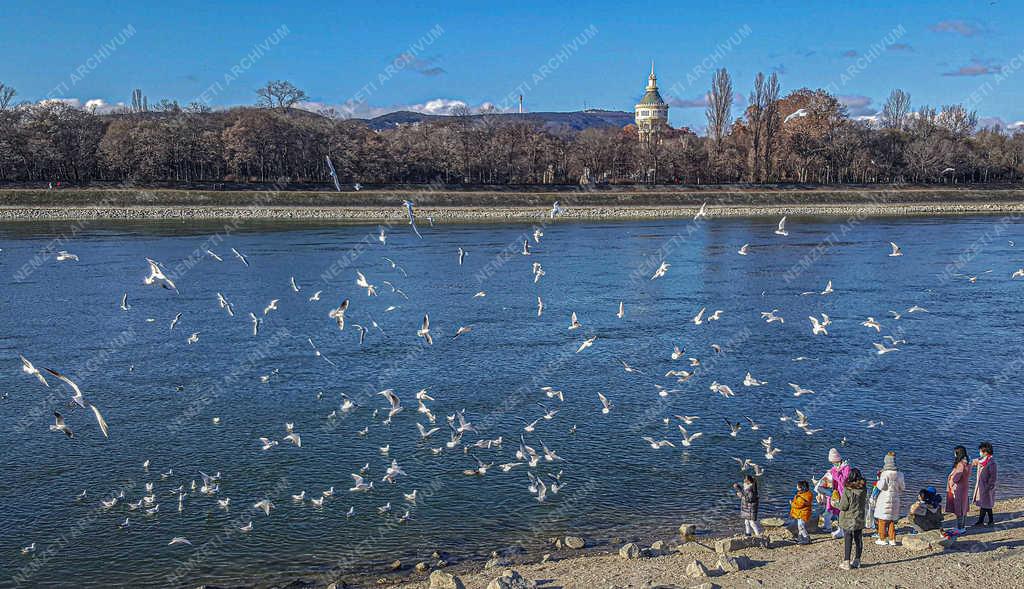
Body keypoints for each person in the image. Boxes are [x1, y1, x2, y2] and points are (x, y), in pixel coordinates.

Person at [816, 448, 851, 538]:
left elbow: (843, 481)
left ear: (837, 460)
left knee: (842, 511)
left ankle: (842, 530)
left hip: (843, 492)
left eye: (833, 462)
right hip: (836, 492)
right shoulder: (835, 468)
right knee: (837, 511)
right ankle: (840, 529)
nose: (833, 464)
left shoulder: (846, 468)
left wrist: (835, 473)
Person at [837, 467, 868, 570]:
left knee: (848, 539)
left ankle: (846, 562)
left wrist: (835, 503)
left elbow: (843, 507)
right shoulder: (864, 489)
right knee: (858, 539)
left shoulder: (848, 490)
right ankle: (857, 561)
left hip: (848, 518)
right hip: (859, 517)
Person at [874, 451, 906, 546]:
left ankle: (882, 538)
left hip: (885, 498)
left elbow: (881, 487)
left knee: (882, 519)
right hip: (895, 498)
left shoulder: (885, 473)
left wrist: (878, 480)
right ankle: (892, 539)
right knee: (892, 520)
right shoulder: (900, 474)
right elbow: (903, 487)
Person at [946, 445, 972, 532]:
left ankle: (960, 528)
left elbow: (957, 477)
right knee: (963, 508)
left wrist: (952, 481)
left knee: (959, 509)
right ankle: (962, 527)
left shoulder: (960, 464)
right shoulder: (967, 463)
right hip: (964, 487)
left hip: (959, 489)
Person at [972, 441, 998, 527]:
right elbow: (974, 462)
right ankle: (989, 521)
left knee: (985, 504)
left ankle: (982, 521)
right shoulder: (981, 460)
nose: (979, 453)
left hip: (987, 487)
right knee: (986, 504)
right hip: (981, 486)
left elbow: (993, 477)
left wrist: (988, 487)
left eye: (980, 451)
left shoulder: (991, 463)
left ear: (985, 452)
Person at [790, 480, 813, 544]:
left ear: (802, 487)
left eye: (798, 486)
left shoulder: (804, 496)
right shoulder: (805, 494)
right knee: (800, 526)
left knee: (801, 526)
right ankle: (800, 538)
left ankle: (806, 539)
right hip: (801, 513)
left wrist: (792, 504)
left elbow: (799, 505)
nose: (797, 486)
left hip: (803, 514)